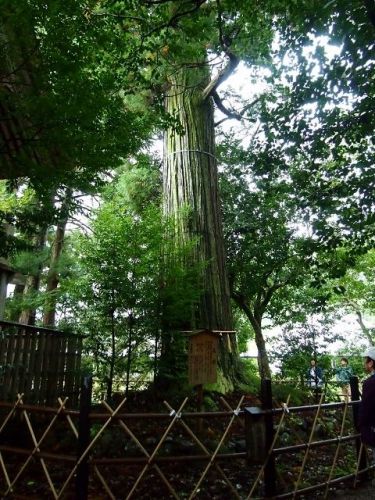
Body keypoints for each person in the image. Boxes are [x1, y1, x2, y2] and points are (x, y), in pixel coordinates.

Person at [358, 347, 375, 453]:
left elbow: (366, 408)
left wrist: (361, 426)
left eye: (366, 360)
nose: (365, 363)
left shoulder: (370, 383)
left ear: (371, 363)